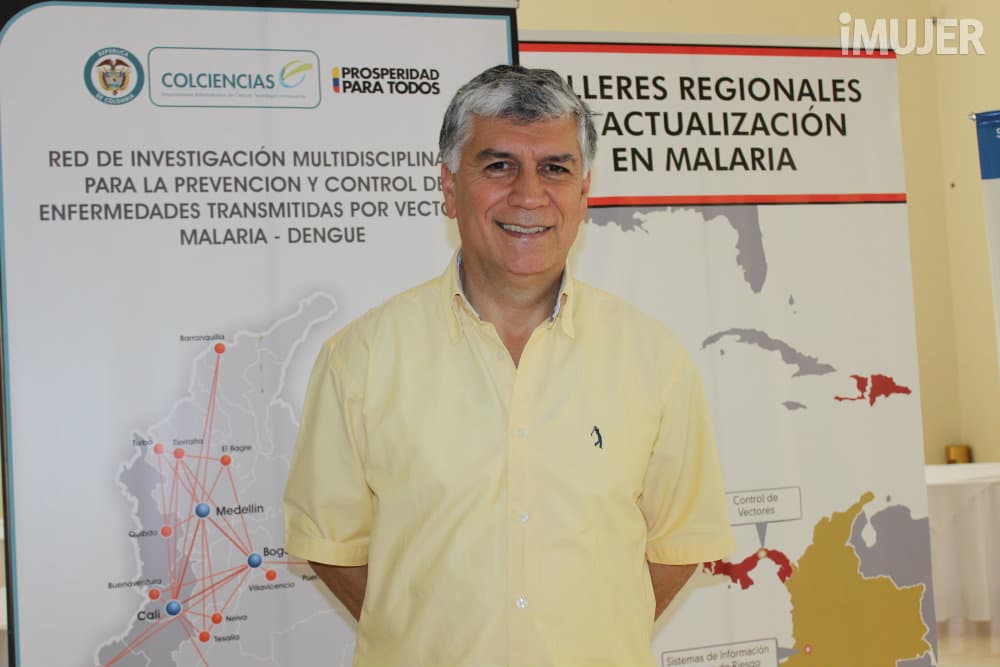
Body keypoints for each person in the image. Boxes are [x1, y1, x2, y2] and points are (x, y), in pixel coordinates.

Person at [283, 64, 734, 667]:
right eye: (499, 166)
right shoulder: (359, 358)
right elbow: (330, 545)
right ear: (449, 187)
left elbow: (680, 543)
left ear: (584, 191)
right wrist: (423, 637)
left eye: (555, 168)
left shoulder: (654, 360)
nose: (529, 195)